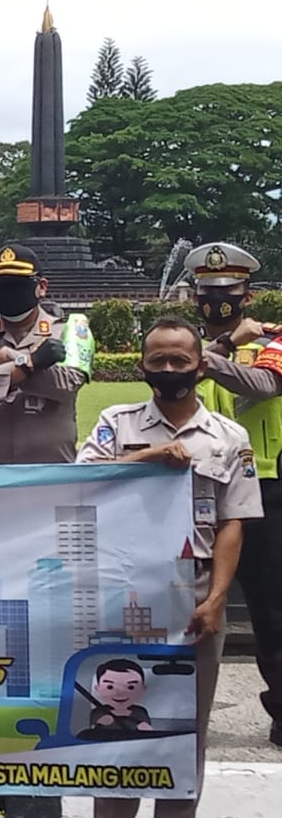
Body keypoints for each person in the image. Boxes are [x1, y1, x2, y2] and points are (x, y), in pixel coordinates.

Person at [77, 316, 263, 818]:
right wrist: (150, 457)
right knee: (114, 716)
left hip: (195, 587)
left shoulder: (228, 437)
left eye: (179, 360)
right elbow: (84, 479)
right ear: (142, 367)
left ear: (201, 366)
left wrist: (217, 598)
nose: (168, 370)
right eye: (157, 360)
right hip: (124, 585)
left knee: (188, 716)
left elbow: (233, 523)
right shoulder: (117, 422)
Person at [185, 241, 282, 747]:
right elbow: (171, 377)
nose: (217, 302)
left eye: (228, 292)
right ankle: (182, 711)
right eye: (208, 293)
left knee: (273, 608)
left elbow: (265, 385)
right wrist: (215, 350)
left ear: (250, 295)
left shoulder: (274, 340)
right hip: (200, 488)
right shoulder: (189, 348)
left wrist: (214, 356)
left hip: (266, 488)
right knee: (189, 602)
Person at [0, 242, 93, 464]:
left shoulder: (68, 332)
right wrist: (32, 362)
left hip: (49, 469)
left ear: (41, 286)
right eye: (1, 285)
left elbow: (66, 384)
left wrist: (2, 354)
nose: (10, 292)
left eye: (18, 284)